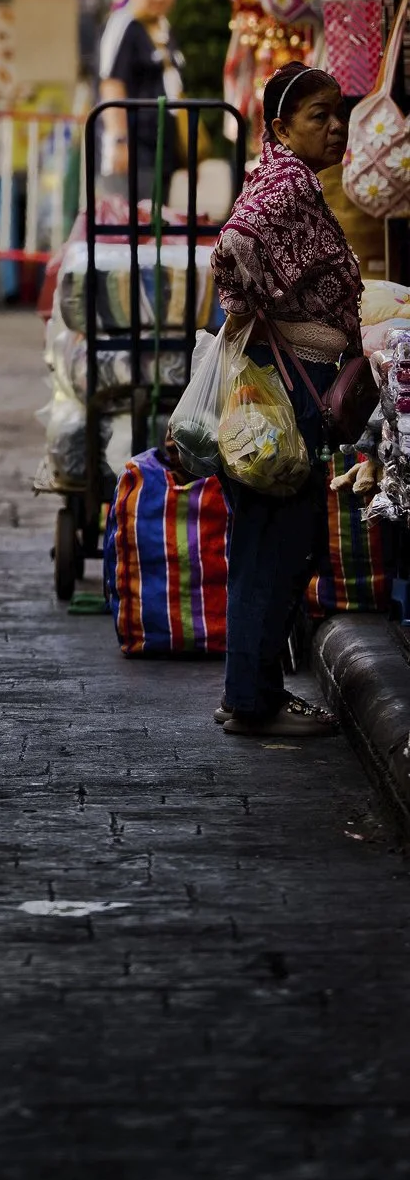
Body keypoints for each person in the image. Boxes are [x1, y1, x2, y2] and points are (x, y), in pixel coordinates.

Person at [208, 63, 355, 741]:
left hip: (280, 380)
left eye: (339, 114)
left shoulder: (286, 178)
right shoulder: (286, 182)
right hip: (283, 386)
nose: (335, 127)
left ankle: (249, 693)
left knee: (267, 543)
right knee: (282, 542)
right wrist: (251, 312)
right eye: (319, 116)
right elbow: (235, 244)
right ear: (280, 129)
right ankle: (255, 702)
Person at [99, 0, 185, 209]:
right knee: (131, 222)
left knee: (156, 222)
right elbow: (112, 83)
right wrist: (119, 141)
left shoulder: (163, 28)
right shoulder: (124, 24)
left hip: (160, 147)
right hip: (133, 148)